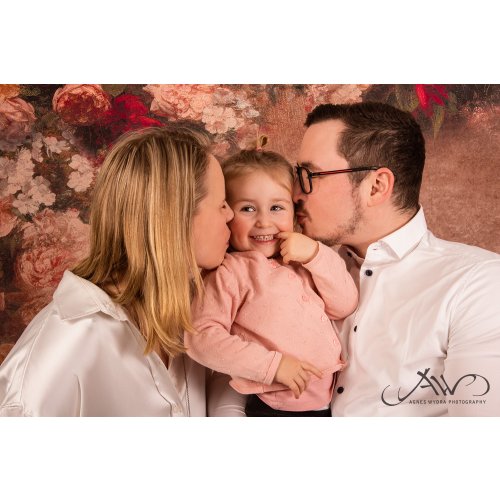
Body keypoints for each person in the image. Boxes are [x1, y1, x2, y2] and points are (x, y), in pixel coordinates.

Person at [0, 126, 246, 416]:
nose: (231, 214)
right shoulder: (60, 353)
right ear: (175, 217)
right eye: (221, 204)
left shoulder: (196, 313)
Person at [294, 102, 500, 416]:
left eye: (309, 175)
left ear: (376, 187)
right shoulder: (293, 271)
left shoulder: (478, 284)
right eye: (296, 175)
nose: (295, 193)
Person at [185, 149, 358, 417]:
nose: (264, 222)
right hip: (275, 407)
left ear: (293, 213)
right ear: (227, 213)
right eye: (248, 208)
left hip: (333, 401)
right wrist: (273, 366)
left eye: (276, 208)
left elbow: (344, 305)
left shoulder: (303, 260)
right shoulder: (230, 272)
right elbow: (201, 338)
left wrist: (315, 254)